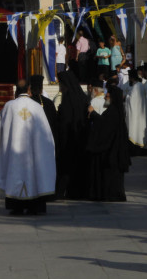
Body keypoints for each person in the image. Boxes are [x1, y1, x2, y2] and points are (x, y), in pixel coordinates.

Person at [0, 80, 56, 215]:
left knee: (15, 174)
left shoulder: (9, 107)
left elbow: (0, 131)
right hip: (34, 152)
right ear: (29, 89)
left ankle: (17, 207)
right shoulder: (37, 107)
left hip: (14, 152)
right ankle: (34, 207)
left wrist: (2, 147)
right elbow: (46, 133)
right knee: (34, 174)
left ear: (16, 90)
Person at [85, 83, 130, 201]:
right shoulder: (114, 110)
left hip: (111, 150)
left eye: (108, 96)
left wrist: (93, 113)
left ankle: (111, 194)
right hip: (112, 149)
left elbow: (105, 126)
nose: (105, 97)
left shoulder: (114, 112)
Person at [54, 69, 89, 199]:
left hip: (69, 139)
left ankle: (61, 191)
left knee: (66, 166)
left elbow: (65, 123)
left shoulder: (68, 99)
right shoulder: (81, 97)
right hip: (80, 138)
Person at [125, 68, 147, 151]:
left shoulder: (136, 86)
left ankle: (134, 147)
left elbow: (132, 100)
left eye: (129, 77)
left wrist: (126, 97)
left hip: (135, 113)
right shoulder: (140, 85)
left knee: (135, 129)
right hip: (139, 112)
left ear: (132, 78)